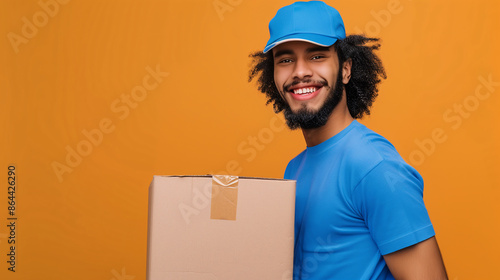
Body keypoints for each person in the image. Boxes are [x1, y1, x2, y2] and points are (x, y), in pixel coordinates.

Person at [249, 1, 448, 279]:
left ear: (345, 69)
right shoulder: (294, 168)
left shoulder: (374, 167)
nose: (299, 72)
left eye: (317, 56)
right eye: (285, 59)